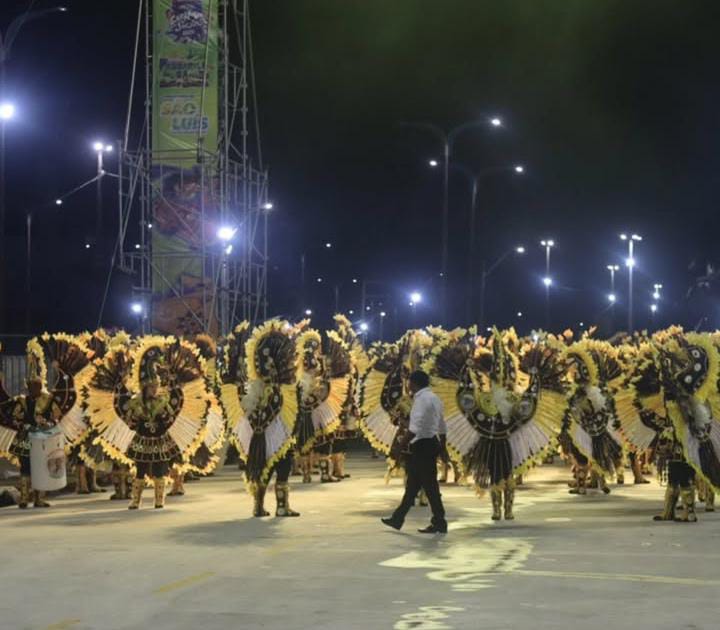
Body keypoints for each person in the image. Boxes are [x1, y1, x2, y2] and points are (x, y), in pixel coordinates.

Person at [382, 370, 448, 534]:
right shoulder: (435, 398)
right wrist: (443, 447)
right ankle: (398, 518)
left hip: (421, 446)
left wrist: (399, 447)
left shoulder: (420, 400)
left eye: (409, 381)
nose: (407, 384)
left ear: (414, 383)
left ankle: (439, 521)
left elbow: (415, 428)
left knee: (427, 486)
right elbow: (442, 425)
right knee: (415, 485)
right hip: (432, 443)